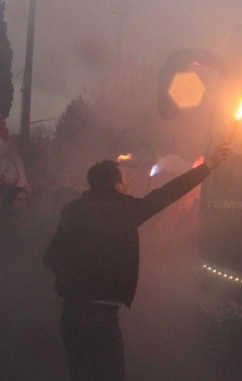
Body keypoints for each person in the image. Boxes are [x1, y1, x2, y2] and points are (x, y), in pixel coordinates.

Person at [44, 142, 231, 381]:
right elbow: (168, 193)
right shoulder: (125, 211)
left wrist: (74, 278)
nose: (129, 182)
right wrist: (209, 167)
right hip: (102, 316)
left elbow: (50, 256)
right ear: (116, 184)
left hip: (71, 312)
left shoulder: (72, 210)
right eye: (125, 177)